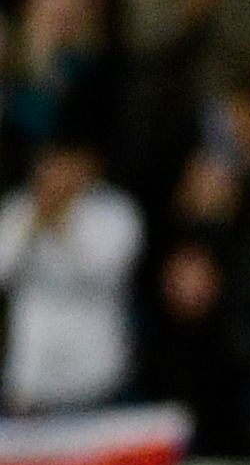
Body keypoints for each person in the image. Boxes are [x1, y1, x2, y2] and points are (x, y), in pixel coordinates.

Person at [0, 141, 143, 413]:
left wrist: (64, 227)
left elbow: (103, 275)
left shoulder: (115, 211)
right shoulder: (18, 208)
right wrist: (32, 225)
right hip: (32, 371)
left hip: (94, 369)